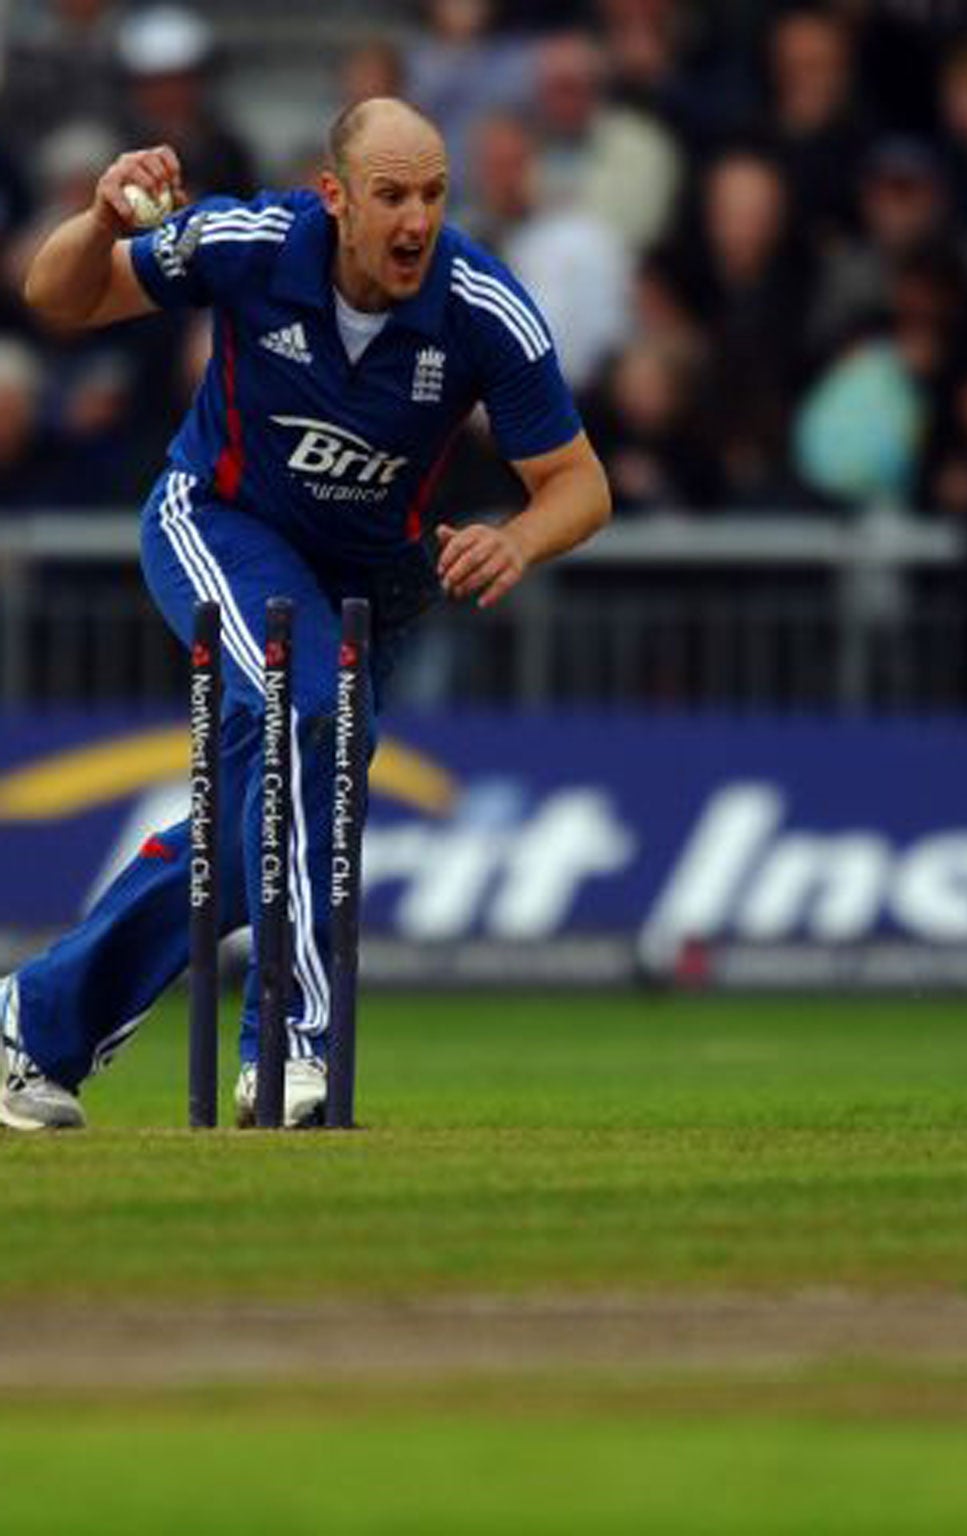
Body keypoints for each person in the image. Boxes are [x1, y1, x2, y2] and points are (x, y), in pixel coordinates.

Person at [2, 98, 612, 1130]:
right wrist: (103, 219)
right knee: (312, 712)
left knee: (253, 841)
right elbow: (57, 296)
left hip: (355, 587)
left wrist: (515, 537)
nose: (415, 219)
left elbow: (578, 483)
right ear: (335, 198)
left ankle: (33, 1021)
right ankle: (288, 1050)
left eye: (431, 193)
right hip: (215, 522)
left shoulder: (478, 303)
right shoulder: (251, 242)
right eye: (390, 196)